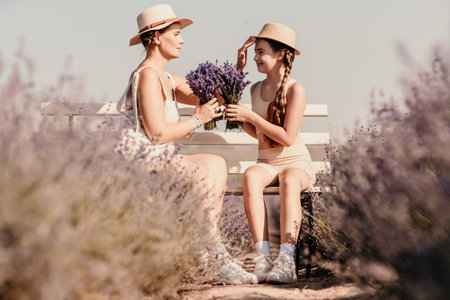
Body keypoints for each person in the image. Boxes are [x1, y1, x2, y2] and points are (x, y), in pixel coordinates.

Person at [116, 4, 257, 285]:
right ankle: (211, 255)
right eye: (177, 34)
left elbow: (214, 97)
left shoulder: (167, 78)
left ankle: (208, 252)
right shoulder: (146, 76)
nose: (182, 40)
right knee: (204, 174)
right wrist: (197, 120)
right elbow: (156, 134)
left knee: (215, 163)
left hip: (161, 157)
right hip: (142, 159)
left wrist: (238, 68)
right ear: (155, 38)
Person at [225, 23, 316, 284]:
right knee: (251, 176)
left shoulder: (295, 90)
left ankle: (286, 260)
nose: (255, 58)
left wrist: (251, 115)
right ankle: (263, 259)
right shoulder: (255, 89)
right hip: (266, 163)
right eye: (253, 53)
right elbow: (260, 135)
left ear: (279, 54)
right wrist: (238, 69)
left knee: (289, 179)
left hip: (296, 163)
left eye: (260, 52)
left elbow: (286, 137)